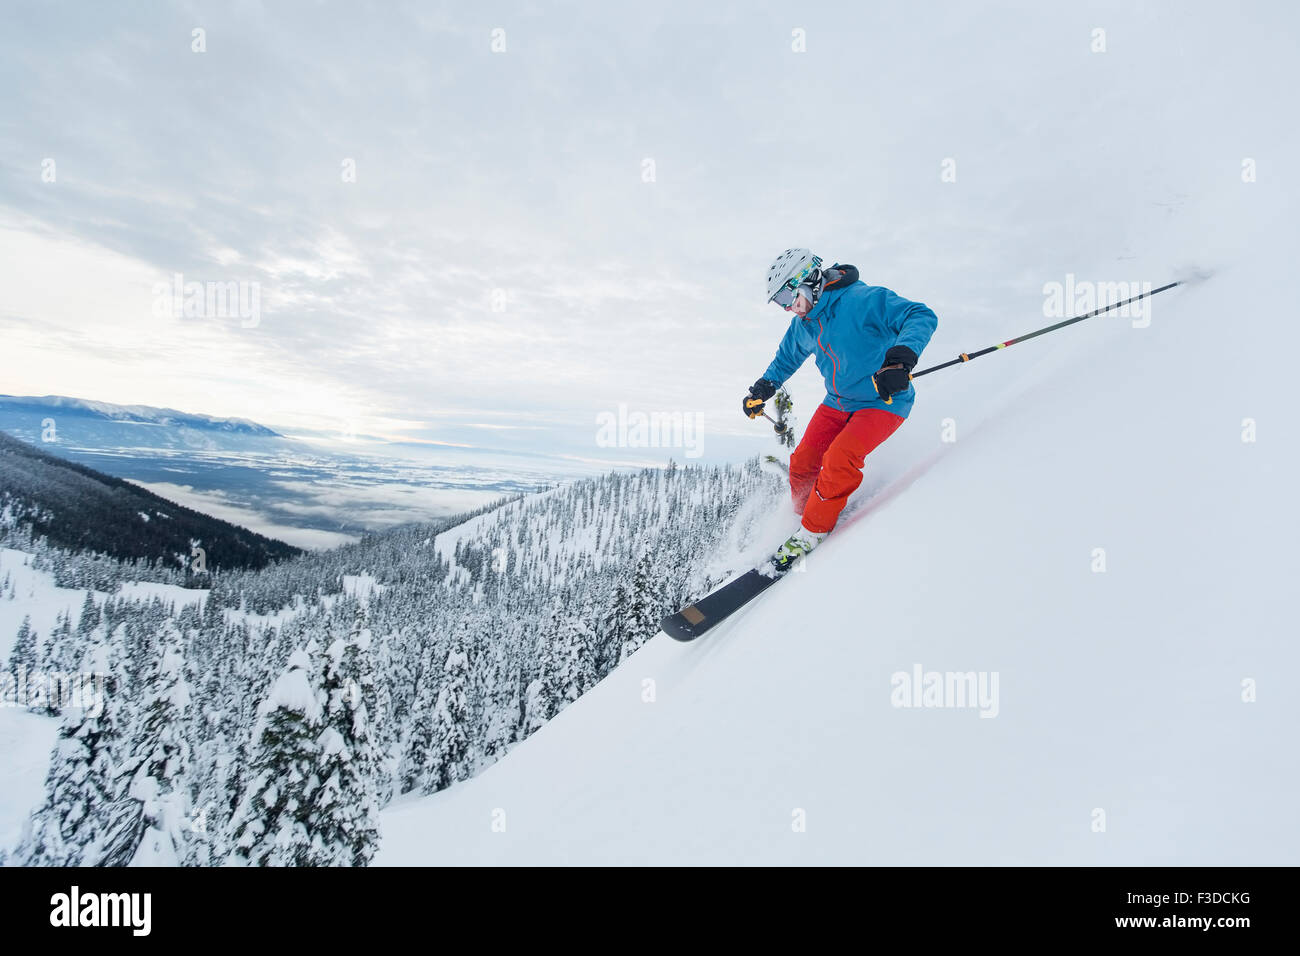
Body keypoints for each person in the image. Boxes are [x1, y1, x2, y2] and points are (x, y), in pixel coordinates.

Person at [745, 248, 938, 570]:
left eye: (787, 298)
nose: (788, 308)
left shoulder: (862, 300)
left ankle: (813, 531)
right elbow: (786, 358)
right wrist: (763, 387)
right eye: (780, 303)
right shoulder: (804, 323)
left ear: (807, 281)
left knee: (839, 459)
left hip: (882, 401)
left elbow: (919, 315)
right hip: (837, 401)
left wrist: (899, 361)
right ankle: (805, 516)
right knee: (803, 462)